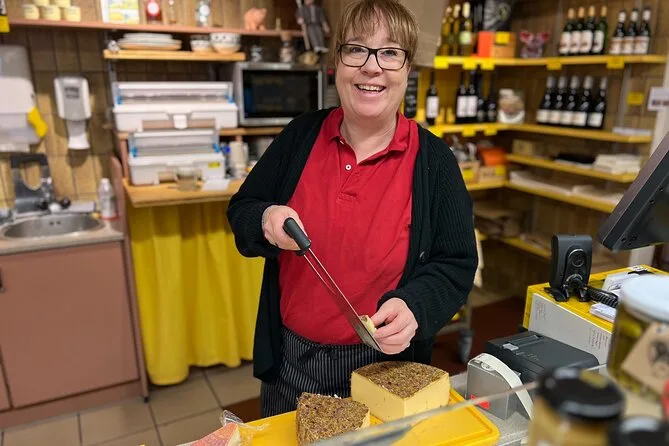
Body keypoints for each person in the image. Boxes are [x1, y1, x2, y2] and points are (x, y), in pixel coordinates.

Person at [227, 0, 477, 418]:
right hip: (290, 364)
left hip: (385, 370)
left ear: (408, 68)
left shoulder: (435, 162)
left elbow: (456, 264)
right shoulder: (299, 136)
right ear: (337, 63)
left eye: (390, 52)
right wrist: (265, 219)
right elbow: (243, 209)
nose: (371, 67)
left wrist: (415, 306)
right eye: (356, 49)